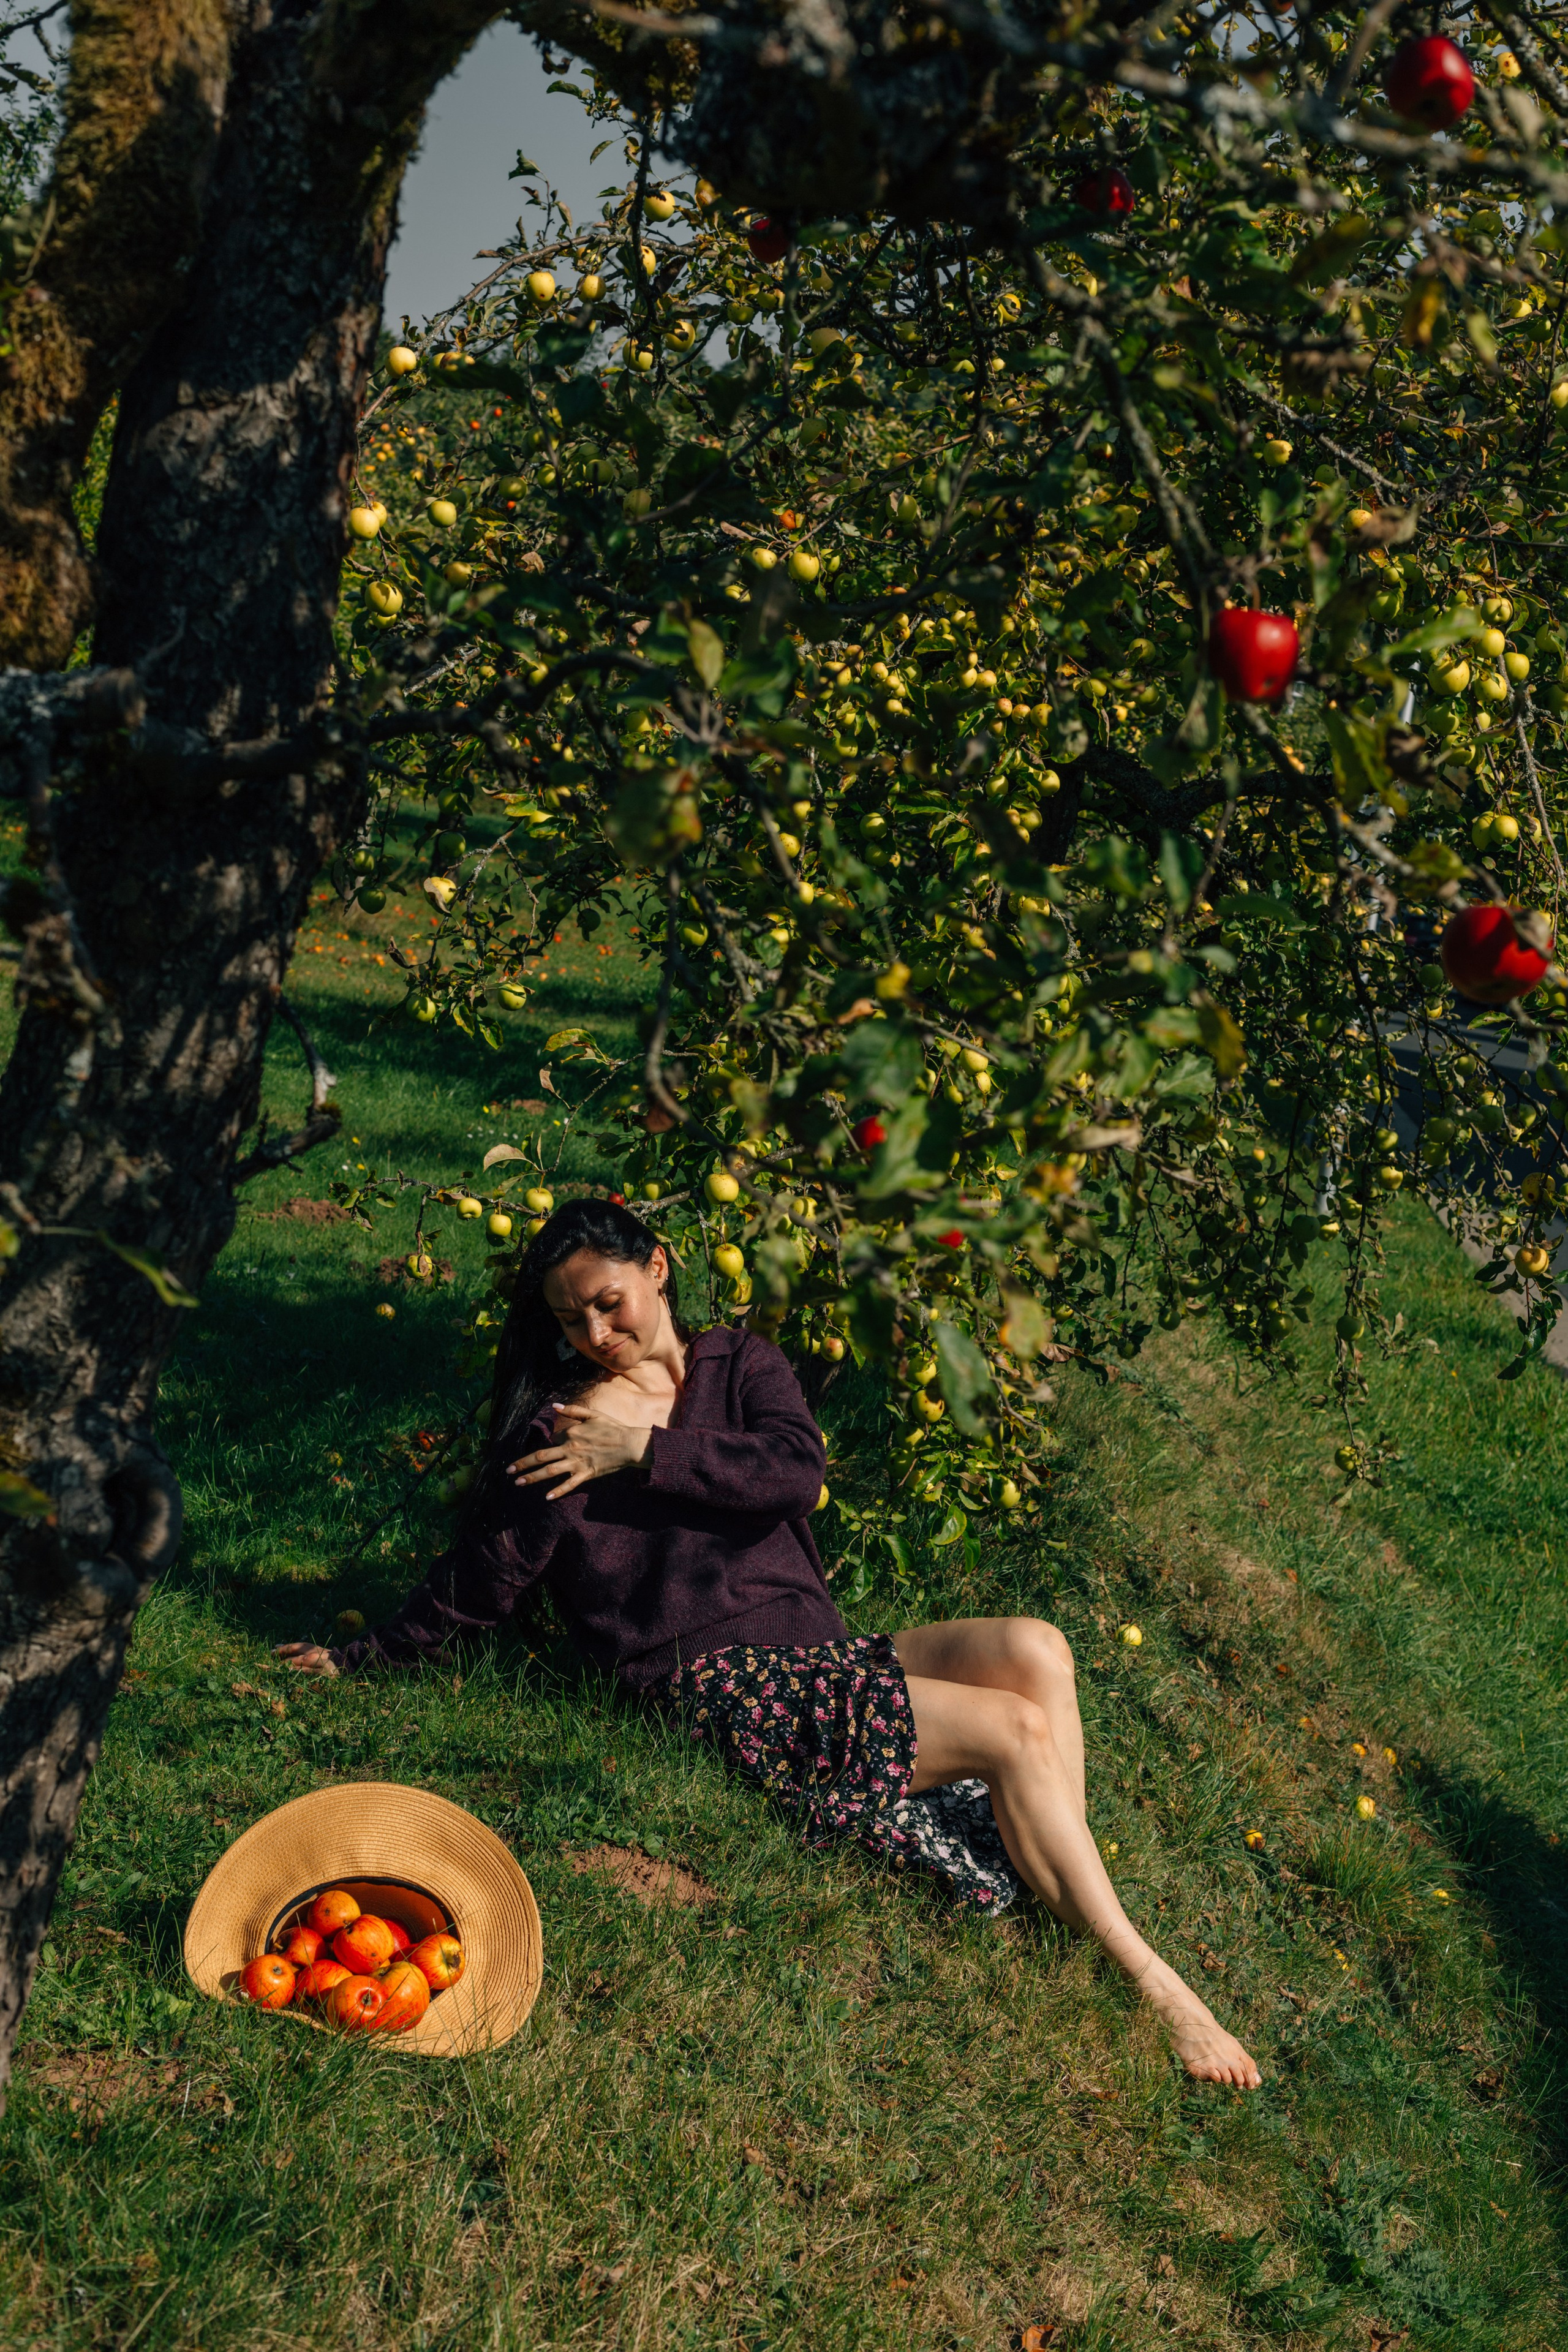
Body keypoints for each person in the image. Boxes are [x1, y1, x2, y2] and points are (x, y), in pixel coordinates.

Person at [279, 1199, 1260, 2089]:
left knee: (1038, 1649)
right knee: (1013, 1729)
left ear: (658, 1269)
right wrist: (365, 1656)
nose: (596, 1333)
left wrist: (650, 1452)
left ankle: (1069, 1889)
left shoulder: (740, 1364)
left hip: (823, 1658)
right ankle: (1153, 1980)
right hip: (720, 1684)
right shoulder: (569, 1427)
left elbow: (794, 1475)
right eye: (570, 1319)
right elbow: (484, 1577)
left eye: (609, 1304)